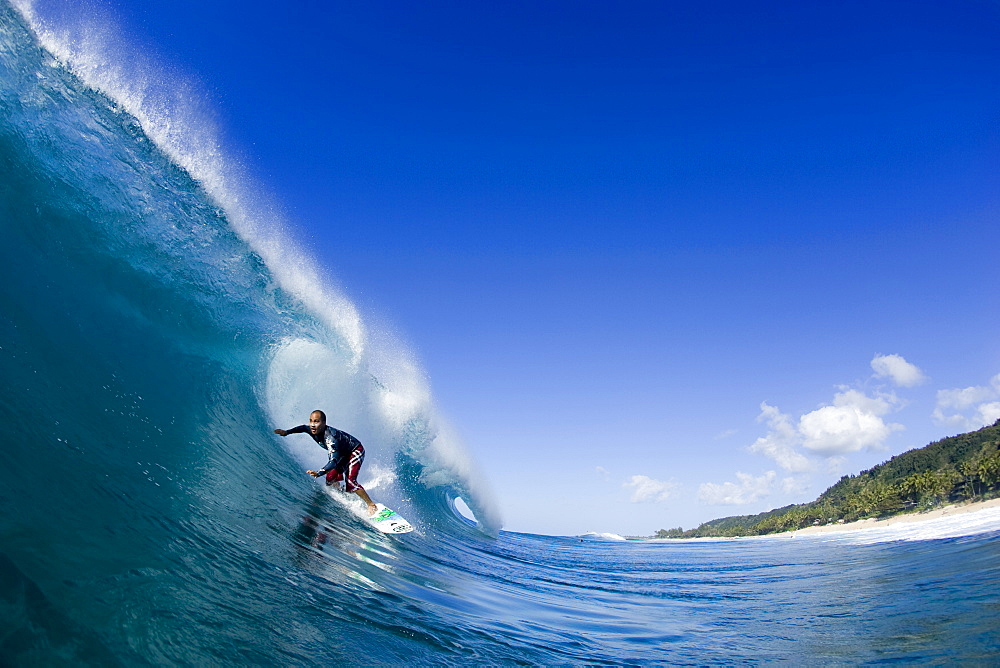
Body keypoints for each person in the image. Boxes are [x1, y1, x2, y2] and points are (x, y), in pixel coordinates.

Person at [274, 410, 377, 515]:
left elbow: (333, 461)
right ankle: (343, 491)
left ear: (323, 423)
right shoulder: (310, 428)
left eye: (316, 421)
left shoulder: (331, 438)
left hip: (355, 450)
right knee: (330, 479)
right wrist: (286, 432)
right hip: (342, 452)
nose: (313, 425)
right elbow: (303, 428)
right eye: (311, 421)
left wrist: (319, 473)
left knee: (350, 481)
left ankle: (371, 505)